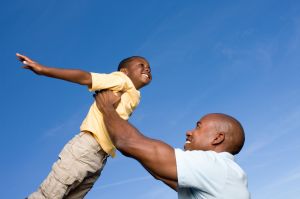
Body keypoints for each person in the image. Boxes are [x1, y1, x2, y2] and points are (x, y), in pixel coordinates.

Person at [16, 53, 152, 199]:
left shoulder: (134, 95)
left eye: (149, 67)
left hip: (100, 157)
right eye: (141, 65)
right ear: (124, 71)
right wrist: (44, 69)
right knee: (49, 195)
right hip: (87, 147)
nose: (147, 69)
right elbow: (86, 77)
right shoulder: (121, 79)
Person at [94, 90, 250, 199]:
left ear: (217, 138)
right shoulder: (223, 173)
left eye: (198, 126)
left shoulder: (216, 165)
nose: (189, 132)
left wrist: (107, 108)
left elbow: (128, 142)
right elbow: (159, 172)